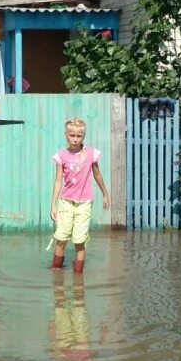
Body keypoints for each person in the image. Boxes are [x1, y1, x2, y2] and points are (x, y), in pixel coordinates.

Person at [49, 117, 110, 273]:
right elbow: (58, 182)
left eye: (78, 136)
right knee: (61, 239)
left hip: (84, 204)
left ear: (83, 136)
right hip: (66, 203)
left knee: (79, 241)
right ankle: (56, 275)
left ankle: (78, 279)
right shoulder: (61, 156)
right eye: (72, 135)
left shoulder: (90, 154)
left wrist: (105, 194)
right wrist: (53, 205)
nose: (75, 139)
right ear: (66, 135)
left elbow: (97, 175)